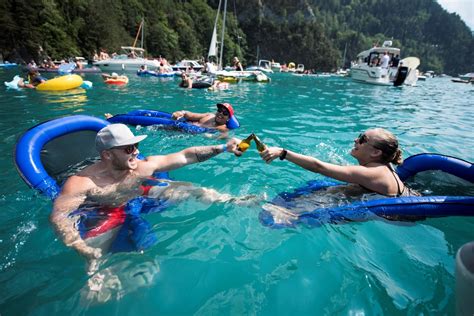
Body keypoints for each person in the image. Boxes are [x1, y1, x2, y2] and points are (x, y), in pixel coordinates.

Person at [51, 124, 247, 263]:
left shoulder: (140, 168)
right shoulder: (81, 183)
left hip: (139, 195)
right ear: (107, 155)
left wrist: (223, 147)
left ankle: (232, 201)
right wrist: (80, 246)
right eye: (129, 148)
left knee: (191, 189)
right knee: (96, 258)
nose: (135, 152)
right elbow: (59, 217)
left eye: (136, 146)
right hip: (104, 210)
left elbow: (186, 156)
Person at [260, 128, 420, 198]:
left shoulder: (371, 173)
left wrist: (283, 153)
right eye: (359, 135)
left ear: (376, 152)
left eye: (363, 139)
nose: (355, 140)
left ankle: (253, 201)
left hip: (396, 215)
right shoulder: (384, 165)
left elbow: (318, 167)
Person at [171, 103, 238, 133]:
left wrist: (211, 136)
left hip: (185, 134)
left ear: (228, 118)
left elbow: (223, 136)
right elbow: (191, 115)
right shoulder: (209, 115)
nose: (221, 113)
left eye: (225, 113)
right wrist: (181, 112)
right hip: (181, 125)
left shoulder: (223, 128)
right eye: (219, 110)